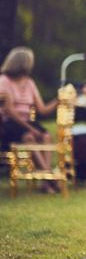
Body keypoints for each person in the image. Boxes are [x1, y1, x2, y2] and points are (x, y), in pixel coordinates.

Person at [0, 47, 59, 193]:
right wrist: (30, 128)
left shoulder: (30, 83)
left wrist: (58, 100)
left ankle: (46, 181)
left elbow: (42, 110)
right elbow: (9, 112)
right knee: (29, 137)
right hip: (10, 123)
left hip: (27, 122)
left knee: (46, 136)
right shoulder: (4, 81)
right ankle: (49, 177)